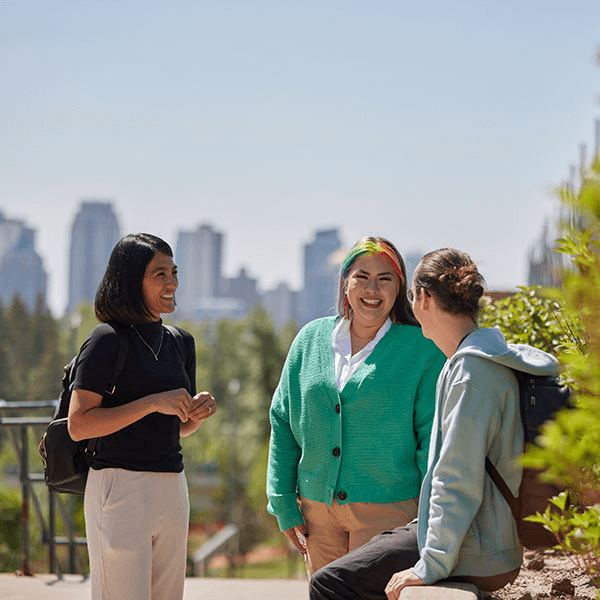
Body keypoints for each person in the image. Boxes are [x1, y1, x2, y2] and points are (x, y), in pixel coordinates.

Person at [309, 248, 561, 600]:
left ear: (424, 298)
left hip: (480, 548)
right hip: (482, 535)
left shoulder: (471, 373)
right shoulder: (476, 359)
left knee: (329, 582)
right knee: (369, 556)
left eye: (411, 294)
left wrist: (429, 566)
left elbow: (456, 480)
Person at [266, 237, 445, 577]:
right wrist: (283, 503)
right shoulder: (310, 339)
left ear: (399, 287)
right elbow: (283, 422)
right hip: (317, 514)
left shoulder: (421, 348)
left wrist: (431, 515)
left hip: (390, 512)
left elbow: (431, 436)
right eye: (361, 276)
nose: (372, 289)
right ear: (345, 283)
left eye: (385, 278)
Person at [67, 233, 216, 600]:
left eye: (174, 272)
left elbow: (176, 428)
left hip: (172, 486)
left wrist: (195, 414)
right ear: (132, 281)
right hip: (119, 487)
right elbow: (78, 424)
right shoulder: (106, 340)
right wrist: (152, 403)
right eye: (159, 274)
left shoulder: (181, 341)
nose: (172, 283)